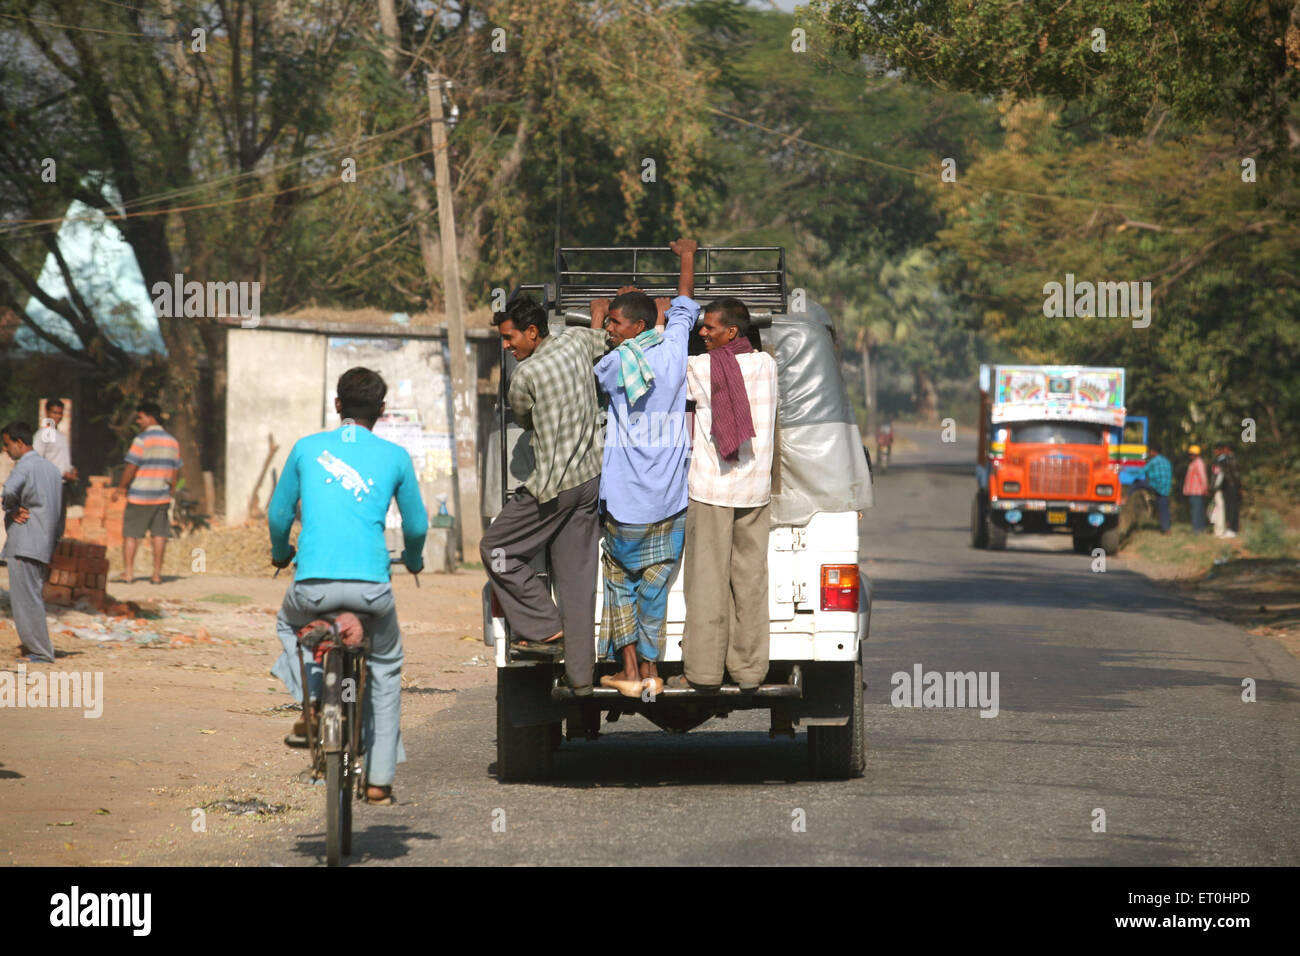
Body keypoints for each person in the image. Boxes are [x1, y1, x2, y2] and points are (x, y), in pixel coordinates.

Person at [267, 367, 427, 805]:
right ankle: (378, 779)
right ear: (381, 410)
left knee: (288, 626)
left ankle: (313, 698)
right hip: (370, 591)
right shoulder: (394, 457)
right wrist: (413, 560)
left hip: (313, 589)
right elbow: (416, 525)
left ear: (337, 405)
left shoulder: (305, 449)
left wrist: (281, 553)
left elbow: (278, 517)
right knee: (385, 666)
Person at [585, 239, 696, 698]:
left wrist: (597, 318)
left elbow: (596, 362)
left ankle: (630, 671)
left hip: (626, 505)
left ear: (637, 327)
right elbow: (685, 304)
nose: (610, 328)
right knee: (654, 590)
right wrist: (686, 257)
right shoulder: (674, 350)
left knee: (620, 583)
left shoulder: (614, 364)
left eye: (616, 322)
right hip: (670, 502)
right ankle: (652, 669)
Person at [480, 295, 604, 695]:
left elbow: (524, 417)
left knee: (495, 549)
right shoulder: (576, 342)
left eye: (510, 337)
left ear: (532, 332)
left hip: (553, 487)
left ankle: (544, 628)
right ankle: (581, 679)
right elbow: (605, 339)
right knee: (576, 580)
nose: (507, 346)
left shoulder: (525, 376)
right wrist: (599, 312)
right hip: (590, 481)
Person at [670, 294, 778, 692]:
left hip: (712, 490)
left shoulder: (700, 368)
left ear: (731, 331)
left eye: (710, 327)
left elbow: (669, 359)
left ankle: (702, 672)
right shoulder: (767, 366)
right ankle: (749, 672)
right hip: (755, 492)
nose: (702, 333)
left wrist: (672, 317)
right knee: (750, 582)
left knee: (707, 585)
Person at [2, 422, 64, 663]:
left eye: (7, 444)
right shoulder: (51, 469)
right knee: (33, 596)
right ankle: (39, 647)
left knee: (25, 599)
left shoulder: (24, 466)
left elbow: (9, 491)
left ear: (20, 442)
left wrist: (11, 508)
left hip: (25, 540)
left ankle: (39, 651)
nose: (6, 450)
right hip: (44, 541)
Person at [111, 402, 181, 583]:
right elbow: (175, 470)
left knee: (131, 535)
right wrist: (172, 490)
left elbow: (131, 467)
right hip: (162, 495)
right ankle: (156, 575)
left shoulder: (141, 440)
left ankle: (128, 573)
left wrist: (120, 488)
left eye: (140, 417)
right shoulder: (172, 441)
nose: (138, 421)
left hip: (139, 496)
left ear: (151, 417)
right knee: (159, 534)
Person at [1140, 445, 1173, 534]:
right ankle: (1167, 528)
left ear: (1154, 451)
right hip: (1166, 488)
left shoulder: (1153, 461)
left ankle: (1166, 529)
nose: (1150, 453)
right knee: (1164, 507)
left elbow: (1142, 471)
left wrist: (1127, 471)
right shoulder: (1167, 461)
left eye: (1150, 451)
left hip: (1158, 487)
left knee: (1162, 508)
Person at [1214, 442, 1241, 537]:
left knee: (1232, 507)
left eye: (1225, 448)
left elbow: (1235, 474)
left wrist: (1238, 486)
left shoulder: (1231, 459)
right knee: (1230, 507)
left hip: (1232, 486)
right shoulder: (1228, 459)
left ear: (1228, 449)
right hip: (1229, 486)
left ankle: (1232, 529)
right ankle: (1232, 528)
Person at [1183, 445, 1209, 533]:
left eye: (1192, 454)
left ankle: (1197, 529)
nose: (1190, 456)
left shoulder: (1199, 463)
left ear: (1196, 454)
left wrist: (1205, 488)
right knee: (1196, 510)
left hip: (1197, 491)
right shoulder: (1193, 463)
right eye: (1190, 454)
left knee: (1196, 511)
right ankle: (1198, 528)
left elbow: (1203, 477)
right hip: (1192, 491)